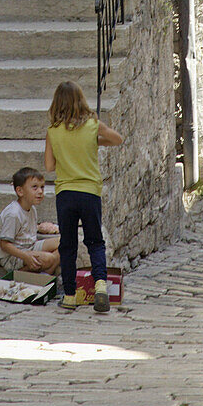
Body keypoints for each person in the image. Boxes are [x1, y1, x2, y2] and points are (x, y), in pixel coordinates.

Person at [45, 80, 123, 313]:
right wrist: (95, 140)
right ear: (81, 100)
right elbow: (118, 139)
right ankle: (100, 286)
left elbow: (49, 166)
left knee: (67, 245)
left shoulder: (52, 131)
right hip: (89, 193)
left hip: (66, 193)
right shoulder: (93, 125)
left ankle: (69, 296)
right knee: (95, 242)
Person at [0, 167, 61, 274]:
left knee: (65, 242)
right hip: (12, 257)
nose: (40, 192)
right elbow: (4, 244)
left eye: (42, 187)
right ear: (20, 191)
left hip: (29, 247)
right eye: (34, 187)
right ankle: (17, 275)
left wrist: (39, 227)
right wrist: (26, 256)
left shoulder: (31, 208)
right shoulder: (13, 214)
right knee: (48, 259)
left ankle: (48, 269)